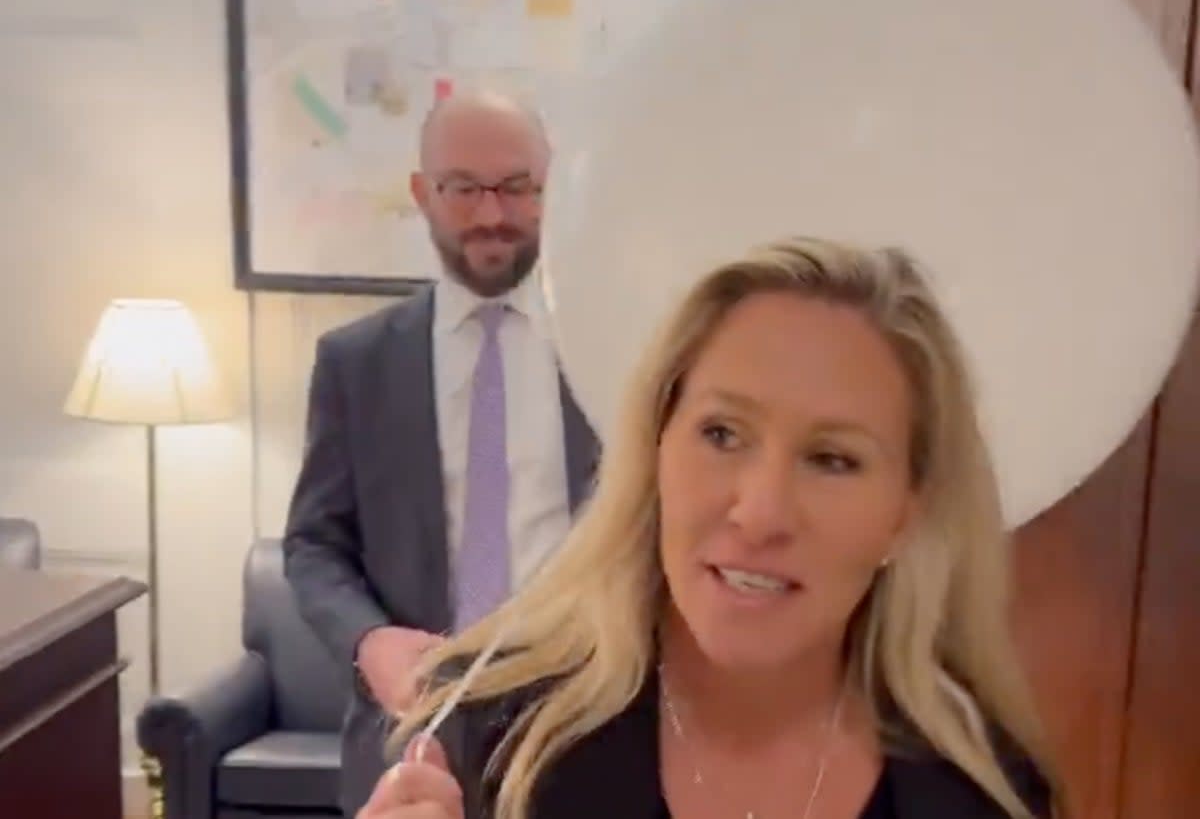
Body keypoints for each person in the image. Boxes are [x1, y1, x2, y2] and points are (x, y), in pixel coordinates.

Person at [357, 237, 1060, 819]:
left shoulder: (986, 796)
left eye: (832, 459)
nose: (759, 513)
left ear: (906, 514)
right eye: (722, 433)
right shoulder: (491, 744)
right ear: (655, 446)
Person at [283, 89, 598, 817]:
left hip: (582, 724)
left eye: (517, 187)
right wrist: (369, 642)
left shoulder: (609, 353)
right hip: (410, 739)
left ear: (551, 190)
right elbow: (313, 544)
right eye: (463, 188)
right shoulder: (354, 363)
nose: (492, 214)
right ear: (423, 194)